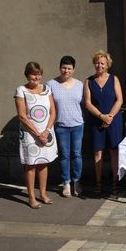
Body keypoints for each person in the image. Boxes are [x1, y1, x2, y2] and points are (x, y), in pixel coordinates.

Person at [14, 62, 58, 209]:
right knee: (31, 165)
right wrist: (38, 134)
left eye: (39, 74)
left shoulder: (47, 89)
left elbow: (53, 112)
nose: (36, 77)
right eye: (33, 74)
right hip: (30, 134)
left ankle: (43, 194)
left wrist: (46, 131)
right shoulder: (21, 90)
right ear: (27, 75)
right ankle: (31, 197)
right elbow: (22, 116)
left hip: (46, 133)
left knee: (44, 162)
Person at [84, 50, 123, 195]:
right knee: (97, 153)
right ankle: (98, 183)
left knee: (114, 151)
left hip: (114, 121)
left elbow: (119, 100)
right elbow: (88, 103)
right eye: (97, 62)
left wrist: (110, 117)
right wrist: (102, 116)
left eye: (102, 63)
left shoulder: (114, 79)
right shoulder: (88, 81)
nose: (99, 65)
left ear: (107, 65)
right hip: (96, 121)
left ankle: (115, 182)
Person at [46, 56, 84, 198]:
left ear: (73, 70)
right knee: (64, 155)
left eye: (69, 68)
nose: (66, 71)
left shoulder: (80, 85)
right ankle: (66, 183)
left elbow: (85, 104)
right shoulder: (51, 84)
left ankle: (77, 182)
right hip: (61, 126)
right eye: (64, 68)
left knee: (77, 154)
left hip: (77, 125)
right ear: (59, 67)